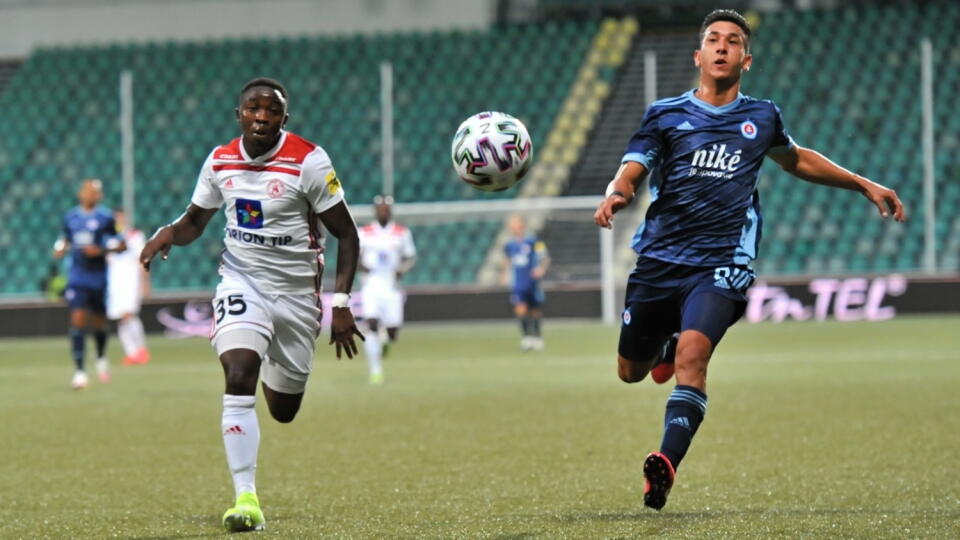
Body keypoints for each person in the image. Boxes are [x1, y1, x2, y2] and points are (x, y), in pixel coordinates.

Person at [593, 9, 905, 512]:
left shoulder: (761, 117)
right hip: (659, 260)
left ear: (747, 59)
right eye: (713, 40)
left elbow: (797, 157)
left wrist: (863, 183)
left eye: (733, 41)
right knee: (631, 370)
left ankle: (665, 463)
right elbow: (634, 167)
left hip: (722, 263)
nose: (722, 47)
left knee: (695, 359)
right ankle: (665, 343)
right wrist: (618, 193)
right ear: (698, 56)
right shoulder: (666, 114)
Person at [139, 77, 363, 533]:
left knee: (283, 409)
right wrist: (170, 231)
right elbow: (196, 219)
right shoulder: (220, 161)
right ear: (238, 113)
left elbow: (347, 234)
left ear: (285, 119)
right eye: (253, 109)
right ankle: (246, 499)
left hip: (298, 296)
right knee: (238, 371)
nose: (262, 117)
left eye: (272, 111)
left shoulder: (309, 161)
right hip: (241, 280)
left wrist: (340, 303)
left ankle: (270, 365)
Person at [53, 179, 126, 389]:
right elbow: (64, 238)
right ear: (80, 194)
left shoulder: (105, 217)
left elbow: (121, 244)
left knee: (99, 323)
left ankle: (101, 356)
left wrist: (102, 251)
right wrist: (59, 248)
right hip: (77, 276)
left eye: (94, 192)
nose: (90, 194)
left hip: (98, 276)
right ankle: (79, 371)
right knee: (77, 320)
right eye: (87, 191)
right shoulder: (71, 217)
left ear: (99, 196)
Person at [358, 195, 416, 384]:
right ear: (374, 210)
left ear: (391, 211)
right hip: (371, 283)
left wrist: (401, 270)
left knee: (392, 332)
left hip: (391, 284)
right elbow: (353, 256)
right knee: (372, 323)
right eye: (380, 208)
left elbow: (410, 257)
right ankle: (375, 370)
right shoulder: (364, 232)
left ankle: (383, 343)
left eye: (386, 208)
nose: (383, 210)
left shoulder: (401, 232)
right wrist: (360, 266)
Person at [107, 209, 151, 365]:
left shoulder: (135, 236)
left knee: (129, 315)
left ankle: (141, 350)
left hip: (131, 281)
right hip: (114, 283)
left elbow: (143, 259)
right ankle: (132, 353)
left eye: (120, 217)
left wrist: (145, 282)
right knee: (121, 318)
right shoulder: (108, 238)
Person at [501, 216, 549, 351]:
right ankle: (527, 338)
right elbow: (507, 260)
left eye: (515, 224)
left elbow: (544, 257)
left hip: (532, 281)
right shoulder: (509, 245)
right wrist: (504, 274)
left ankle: (537, 338)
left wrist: (541, 268)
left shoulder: (533, 241)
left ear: (521, 225)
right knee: (520, 309)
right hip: (518, 282)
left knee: (534, 310)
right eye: (511, 225)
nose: (512, 227)